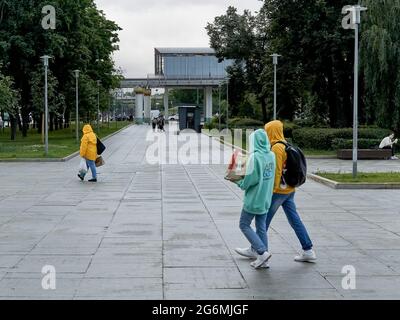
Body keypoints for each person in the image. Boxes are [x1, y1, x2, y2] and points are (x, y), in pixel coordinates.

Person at [263, 120, 316, 263]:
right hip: (290, 190)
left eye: (267, 130)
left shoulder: (276, 148)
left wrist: (271, 190)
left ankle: (257, 249)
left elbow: (277, 171)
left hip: (279, 191)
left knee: (263, 221)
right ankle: (308, 250)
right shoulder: (286, 144)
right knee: (294, 220)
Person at [233, 129, 276, 269]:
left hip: (254, 199)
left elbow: (249, 180)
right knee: (261, 227)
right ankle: (264, 259)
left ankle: (262, 252)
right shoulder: (271, 155)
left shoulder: (255, 157)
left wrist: (238, 182)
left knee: (244, 224)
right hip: (265, 198)